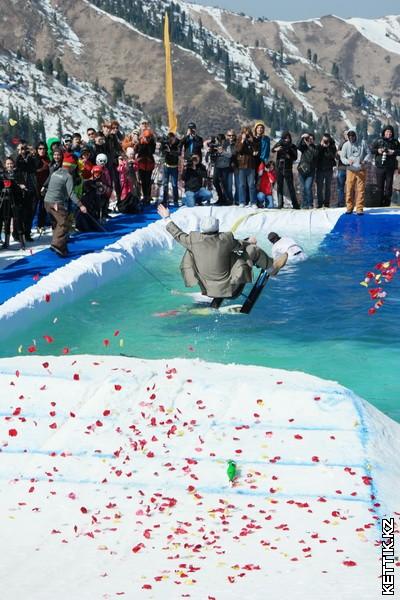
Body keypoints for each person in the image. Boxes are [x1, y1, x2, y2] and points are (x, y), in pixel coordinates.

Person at [157, 204, 287, 300]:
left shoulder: (193, 240)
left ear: (202, 229)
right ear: (217, 228)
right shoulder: (225, 238)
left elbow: (177, 234)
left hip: (208, 291)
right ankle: (272, 268)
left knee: (191, 253)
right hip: (231, 290)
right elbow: (240, 246)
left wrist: (167, 217)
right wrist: (249, 242)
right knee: (252, 250)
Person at [44, 153, 87, 257]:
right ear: (72, 167)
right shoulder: (68, 176)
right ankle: (56, 245)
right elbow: (71, 193)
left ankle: (63, 249)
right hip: (56, 204)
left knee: (56, 223)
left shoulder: (55, 172)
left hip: (46, 202)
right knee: (64, 223)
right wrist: (81, 205)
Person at [340, 130, 370, 215]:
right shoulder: (346, 145)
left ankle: (359, 208)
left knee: (360, 189)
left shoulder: (363, 143)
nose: (351, 138)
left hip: (361, 169)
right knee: (349, 188)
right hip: (350, 169)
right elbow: (342, 157)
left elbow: (369, 153)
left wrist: (365, 161)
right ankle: (349, 207)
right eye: (349, 137)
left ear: (356, 136)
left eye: (353, 136)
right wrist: (347, 161)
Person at [371, 125, 400, 206]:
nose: (389, 133)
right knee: (379, 186)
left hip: (390, 167)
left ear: (392, 133)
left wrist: (393, 152)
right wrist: (378, 150)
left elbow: (399, 151)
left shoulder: (395, 142)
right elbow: (371, 150)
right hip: (380, 167)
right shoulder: (378, 140)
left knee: (389, 186)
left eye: (390, 132)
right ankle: (379, 203)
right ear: (384, 132)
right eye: (387, 131)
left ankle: (387, 203)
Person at [272, 132, 299, 209]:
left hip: (288, 168)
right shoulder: (279, 144)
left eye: (288, 138)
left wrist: (289, 156)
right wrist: (276, 148)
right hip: (279, 167)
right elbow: (272, 150)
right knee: (280, 186)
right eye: (285, 138)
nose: (286, 139)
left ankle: (295, 204)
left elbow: (295, 157)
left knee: (290, 187)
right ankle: (280, 204)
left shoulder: (292, 146)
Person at [236, 126, 258, 207]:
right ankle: (242, 201)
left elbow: (256, 151)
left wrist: (252, 142)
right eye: (245, 132)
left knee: (251, 185)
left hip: (251, 165)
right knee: (242, 185)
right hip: (242, 165)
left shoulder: (252, 139)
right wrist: (242, 140)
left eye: (248, 132)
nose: (247, 134)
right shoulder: (239, 139)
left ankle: (253, 202)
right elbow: (238, 150)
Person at [297, 133, 318, 209]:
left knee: (308, 187)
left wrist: (309, 145)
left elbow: (315, 155)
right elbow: (298, 146)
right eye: (308, 138)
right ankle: (304, 204)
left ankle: (310, 204)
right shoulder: (303, 147)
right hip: (302, 170)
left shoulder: (315, 148)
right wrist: (302, 138)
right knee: (302, 188)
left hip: (311, 171)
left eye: (311, 139)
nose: (310, 140)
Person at [316, 133, 336, 208]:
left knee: (328, 187)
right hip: (320, 169)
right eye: (324, 140)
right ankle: (320, 203)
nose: (325, 142)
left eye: (327, 140)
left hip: (329, 169)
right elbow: (316, 155)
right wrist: (321, 146)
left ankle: (327, 203)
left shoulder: (332, 146)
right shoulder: (319, 146)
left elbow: (333, 155)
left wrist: (328, 147)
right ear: (322, 139)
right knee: (319, 187)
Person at [160, 132, 181, 206]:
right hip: (166, 166)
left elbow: (179, 153)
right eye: (169, 140)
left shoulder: (178, 143)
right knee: (165, 184)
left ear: (174, 138)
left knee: (174, 184)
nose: (170, 141)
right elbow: (162, 152)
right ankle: (165, 200)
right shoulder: (166, 143)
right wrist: (163, 145)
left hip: (174, 167)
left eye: (172, 139)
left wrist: (170, 151)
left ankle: (175, 200)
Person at [336, 130, 348, 208]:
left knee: (351, 186)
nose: (347, 135)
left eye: (348, 134)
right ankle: (341, 203)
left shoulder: (354, 144)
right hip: (341, 168)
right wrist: (338, 153)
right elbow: (336, 157)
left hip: (351, 168)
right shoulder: (341, 144)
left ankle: (350, 203)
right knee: (340, 187)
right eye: (345, 134)